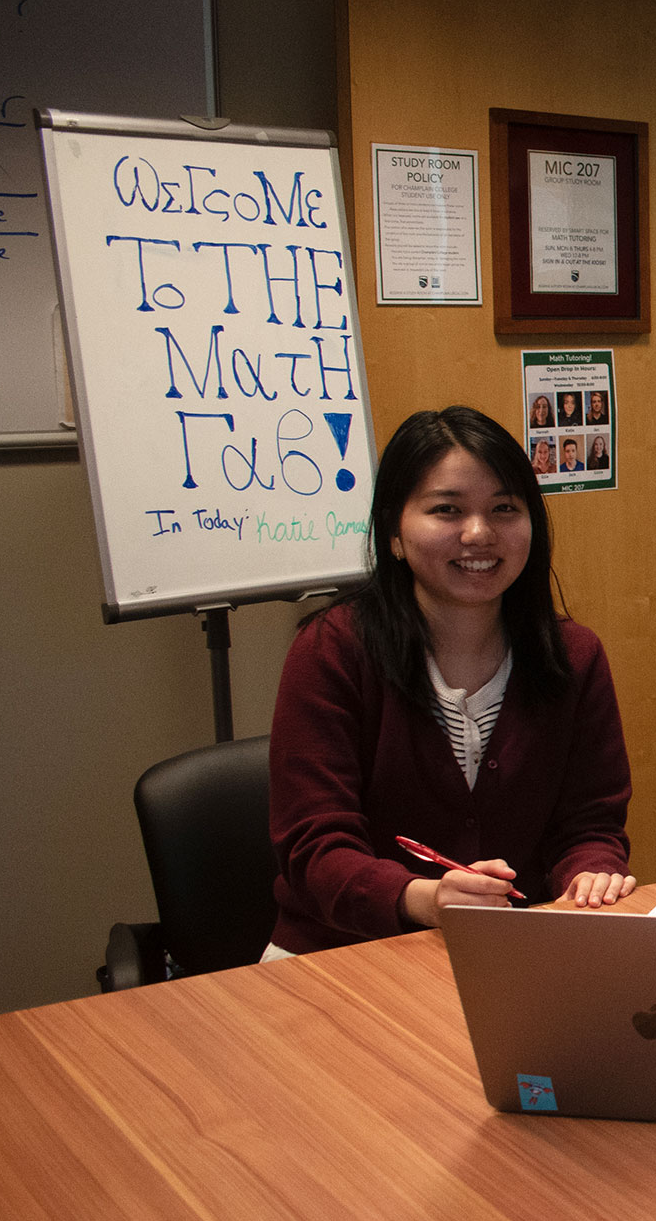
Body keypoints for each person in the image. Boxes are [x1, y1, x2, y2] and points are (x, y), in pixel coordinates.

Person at [266, 406, 636, 956]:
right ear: (394, 532)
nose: (479, 533)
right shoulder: (331, 649)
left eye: (504, 508)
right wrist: (426, 899)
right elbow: (314, 847)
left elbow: (590, 825)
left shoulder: (573, 655)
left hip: (507, 949)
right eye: (447, 510)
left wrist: (591, 874)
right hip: (339, 953)